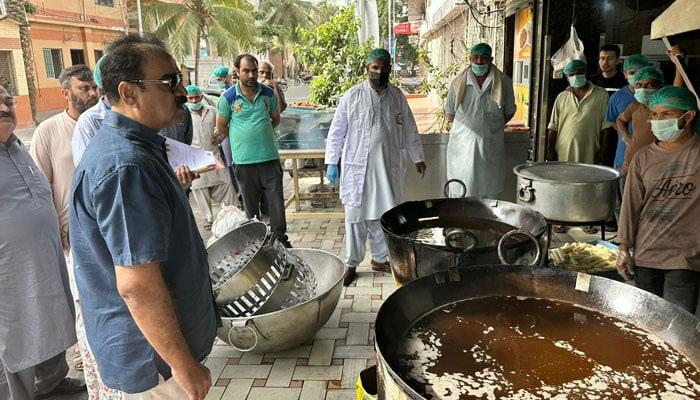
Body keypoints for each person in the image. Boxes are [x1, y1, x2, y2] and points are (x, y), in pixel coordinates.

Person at [69, 37, 217, 399]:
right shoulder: (126, 167)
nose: (181, 91)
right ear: (129, 93)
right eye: (169, 83)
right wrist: (184, 367)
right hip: (155, 367)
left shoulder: (141, 149)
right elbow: (137, 285)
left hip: (157, 358)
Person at [0, 84, 85, 400]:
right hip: (9, 270)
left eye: (8, 102)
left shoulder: (19, 146)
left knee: (50, 317)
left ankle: (52, 381)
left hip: (45, 257)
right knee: (16, 333)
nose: (5, 108)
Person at [325, 48, 426, 286]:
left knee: (384, 215)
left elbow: (409, 128)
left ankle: (380, 259)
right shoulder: (352, 96)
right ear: (367, 69)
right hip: (358, 170)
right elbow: (337, 131)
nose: (380, 72)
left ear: (390, 68)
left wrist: (417, 157)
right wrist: (331, 162)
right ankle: (351, 263)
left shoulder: (397, 96)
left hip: (387, 168)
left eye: (384, 67)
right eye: (375, 68)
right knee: (356, 218)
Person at [617, 86, 700, 315]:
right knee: (646, 323)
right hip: (647, 254)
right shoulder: (643, 157)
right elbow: (630, 205)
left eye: (666, 114)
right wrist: (624, 247)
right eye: (654, 114)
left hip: (685, 258)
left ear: (689, 116)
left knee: (677, 325)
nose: (657, 120)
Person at [214, 54, 291, 247]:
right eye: (246, 70)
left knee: (276, 206)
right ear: (237, 72)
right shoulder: (227, 98)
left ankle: (281, 241)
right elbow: (222, 127)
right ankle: (257, 245)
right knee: (251, 209)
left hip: (269, 159)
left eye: (254, 71)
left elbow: (275, 119)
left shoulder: (268, 94)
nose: (251, 74)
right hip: (244, 163)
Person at [30, 64, 98, 253]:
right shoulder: (47, 131)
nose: (92, 93)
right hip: (72, 232)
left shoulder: (107, 125)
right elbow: (40, 188)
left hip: (108, 220)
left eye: (94, 87)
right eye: (84, 88)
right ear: (66, 94)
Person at [547, 59, 611, 233]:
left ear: (586, 73)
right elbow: (553, 126)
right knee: (563, 186)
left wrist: (603, 151)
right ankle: (561, 219)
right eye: (572, 74)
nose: (576, 77)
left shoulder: (601, 94)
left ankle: (586, 220)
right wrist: (550, 150)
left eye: (579, 73)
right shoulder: (562, 97)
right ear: (567, 78)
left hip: (590, 149)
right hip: (564, 150)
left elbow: (606, 126)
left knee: (587, 186)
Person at [444, 42, 516, 198]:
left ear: (491, 59)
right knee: (461, 195)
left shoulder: (504, 82)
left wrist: (490, 126)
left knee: (488, 197)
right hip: (462, 150)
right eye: (475, 57)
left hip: (490, 148)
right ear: (470, 59)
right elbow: (449, 114)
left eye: (483, 58)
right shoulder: (457, 83)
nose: (479, 61)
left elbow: (509, 111)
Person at [603, 54, 650, 227]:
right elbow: (615, 120)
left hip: (652, 160)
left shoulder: (658, 97)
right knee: (622, 201)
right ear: (625, 75)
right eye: (632, 72)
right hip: (624, 156)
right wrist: (627, 137)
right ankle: (623, 237)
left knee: (644, 203)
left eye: (640, 72)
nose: (636, 76)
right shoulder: (618, 98)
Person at [186, 84, 237, 229]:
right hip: (194, 157)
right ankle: (208, 218)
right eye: (191, 98)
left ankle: (232, 212)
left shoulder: (213, 111)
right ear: (187, 99)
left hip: (213, 153)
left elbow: (223, 127)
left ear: (201, 97)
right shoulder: (185, 115)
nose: (195, 101)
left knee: (225, 183)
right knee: (198, 187)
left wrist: (220, 136)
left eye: (197, 97)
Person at [616, 66, 665, 175]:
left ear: (660, 86)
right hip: (629, 167)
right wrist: (626, 136)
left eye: (649, 84)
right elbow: (620, 119)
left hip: (654, 170)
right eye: (639, 85)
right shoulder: (635, 107)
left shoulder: (665, 110)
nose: (643, 89)